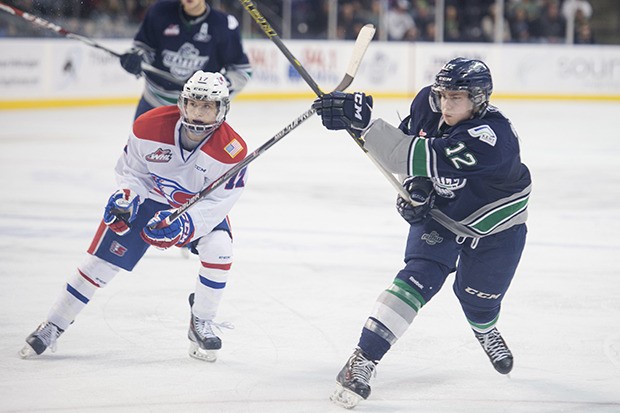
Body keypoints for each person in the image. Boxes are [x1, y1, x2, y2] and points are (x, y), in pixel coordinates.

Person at [312, 57, 531, 408]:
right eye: (444, 94)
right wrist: (416, 187)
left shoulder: (492, 140)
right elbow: (410, 149)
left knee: (477, 299)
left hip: (496, 227)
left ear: (479, 100)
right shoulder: (427, 103)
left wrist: (366, 124)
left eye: (456, 98)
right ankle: (362, 360)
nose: (445, 104)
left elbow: (407, 154)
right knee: (417, 279)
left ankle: (485, 329)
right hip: (444, 217)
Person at [19, 71, 249, 363]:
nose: (198, 112)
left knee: (219, 249)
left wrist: (185, 225)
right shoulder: (149, 126)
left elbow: (219, 203)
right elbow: (133, 172)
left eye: (207, 106)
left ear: (222, 109)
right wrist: (127, 198)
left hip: (195, 208)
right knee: (100, 263)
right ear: (183, 102)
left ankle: (201, 320)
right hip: (149, 199)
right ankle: (53, 324)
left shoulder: (233, 150)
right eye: (193, 103)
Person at [120, 0, 252, 120]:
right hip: (154, 104)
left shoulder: (223, 25)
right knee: (137, 146)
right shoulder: (159, 11)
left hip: (199, 113)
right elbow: (143, 48)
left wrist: (218, 86)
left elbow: (242, 71)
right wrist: (136, 58)